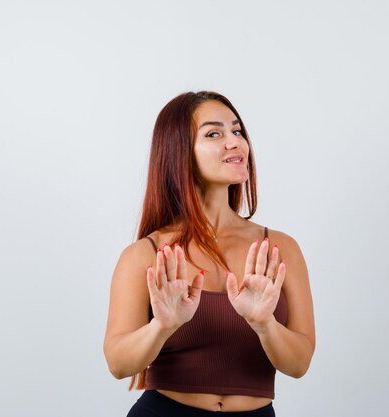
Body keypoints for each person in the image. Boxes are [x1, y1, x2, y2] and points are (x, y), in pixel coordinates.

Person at [103, 91, 316, 416]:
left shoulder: (281, 249)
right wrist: (161, 326)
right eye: (214, 133)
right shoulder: (145, 255)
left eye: (237, 131)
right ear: (179, 152)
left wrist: (264, 324)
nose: (235, 142)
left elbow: (299, 363)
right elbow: (118, 364)